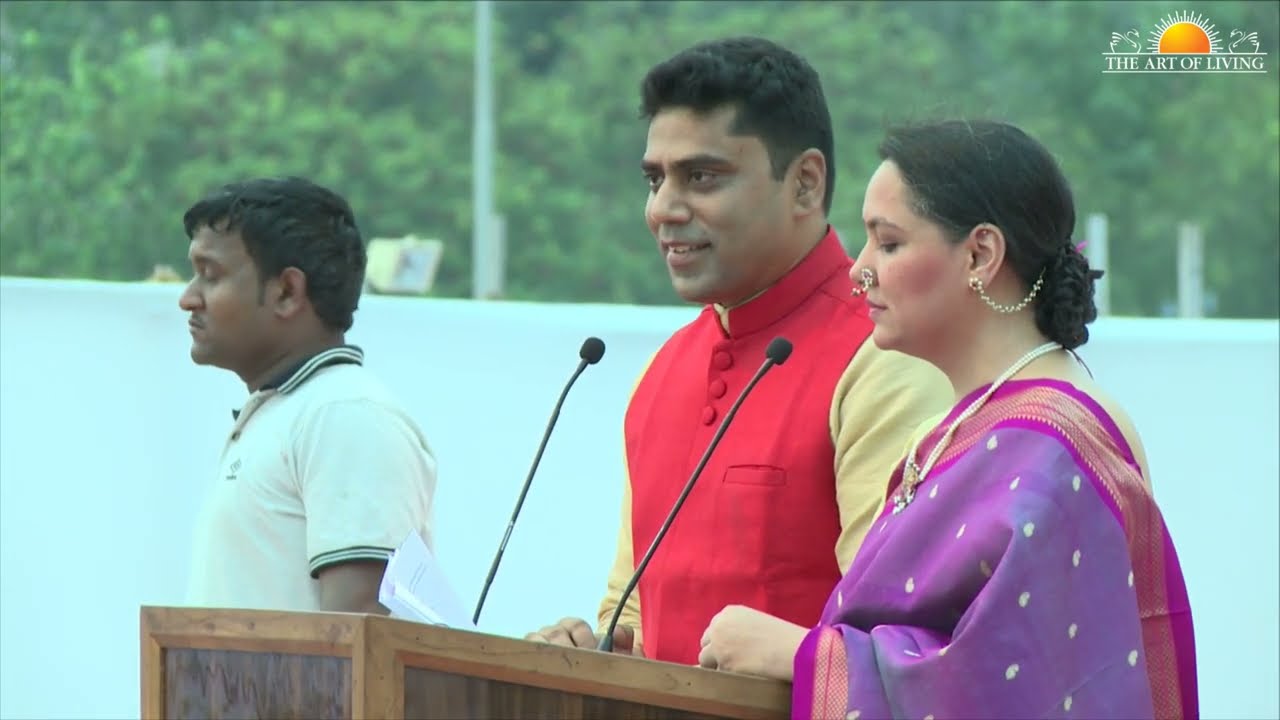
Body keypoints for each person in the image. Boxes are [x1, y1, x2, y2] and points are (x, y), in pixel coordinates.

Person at [696, 120, 1199, 719]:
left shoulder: (1053, 443)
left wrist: (804, 656)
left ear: (980, 255)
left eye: (888, 243)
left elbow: (1013, 684)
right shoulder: (963, 429)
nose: (860, 269)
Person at [526, 38, 952, 665]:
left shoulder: (888, 356)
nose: (663, 209)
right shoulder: (665, 369)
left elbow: (897, 647)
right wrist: (593, 649)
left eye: (701, 177)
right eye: (654, 179)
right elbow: (633, 614)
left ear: (805, 184)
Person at [179, 176, 438, 614]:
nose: (188, 299)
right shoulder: (291, 410)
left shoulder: (344, 415)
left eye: (210, 276)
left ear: (286, 292)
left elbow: (362, 636)